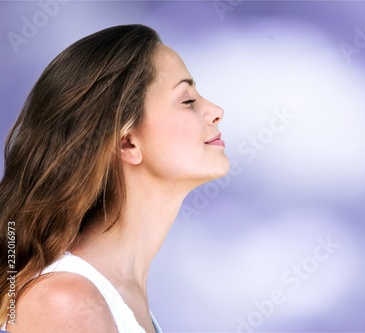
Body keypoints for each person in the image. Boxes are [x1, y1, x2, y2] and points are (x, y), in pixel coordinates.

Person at [0, 24, 229, 332]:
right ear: (127, 142)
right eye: (187, 100)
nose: (216, 111)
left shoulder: (117, 297)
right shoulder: (65, 302)